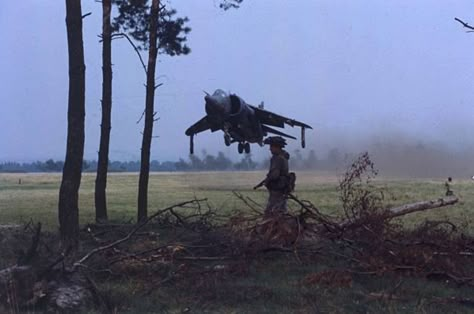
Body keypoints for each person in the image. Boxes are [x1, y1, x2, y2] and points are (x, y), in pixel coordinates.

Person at [257, 136, 291, 216]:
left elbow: (274, 175)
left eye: (271, 146)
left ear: (277, 147)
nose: (270, 149)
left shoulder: (277, 158)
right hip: (283, 188)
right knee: (282, 210)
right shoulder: (284, 156)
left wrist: (267, 180)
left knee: (270, 211)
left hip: (277, 188)